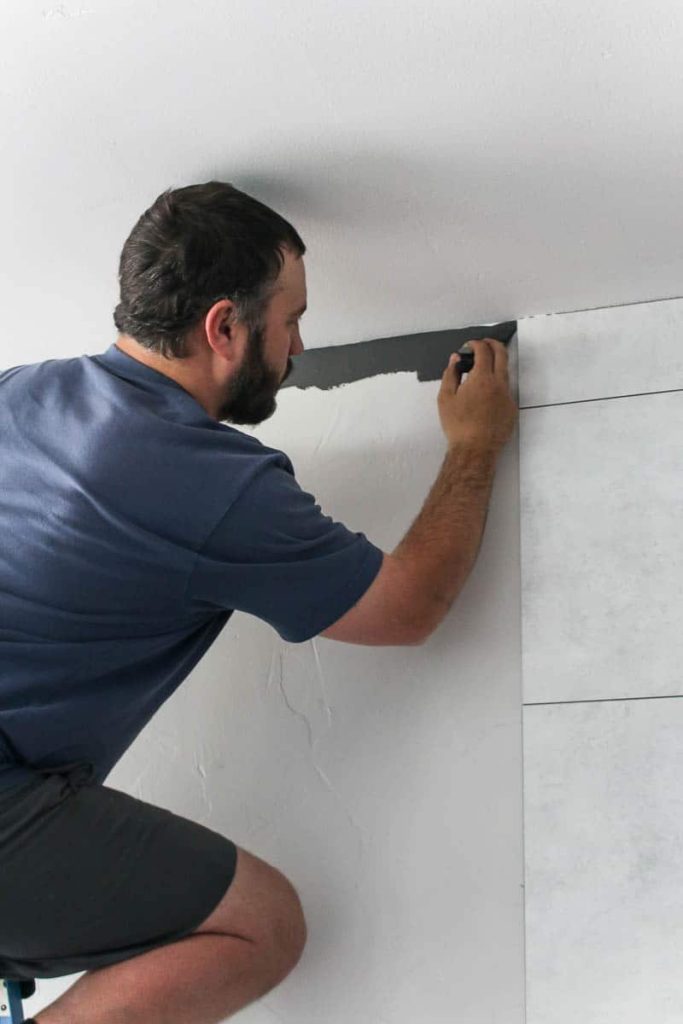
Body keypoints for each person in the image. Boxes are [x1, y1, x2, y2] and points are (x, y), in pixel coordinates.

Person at [0, 181, 518, 1024]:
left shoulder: (21, 391)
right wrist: (474, 446)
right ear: (223, 327)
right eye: (292, 319)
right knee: (259, 926)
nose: (299, 346)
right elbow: (408, 607)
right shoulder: (206, 480)